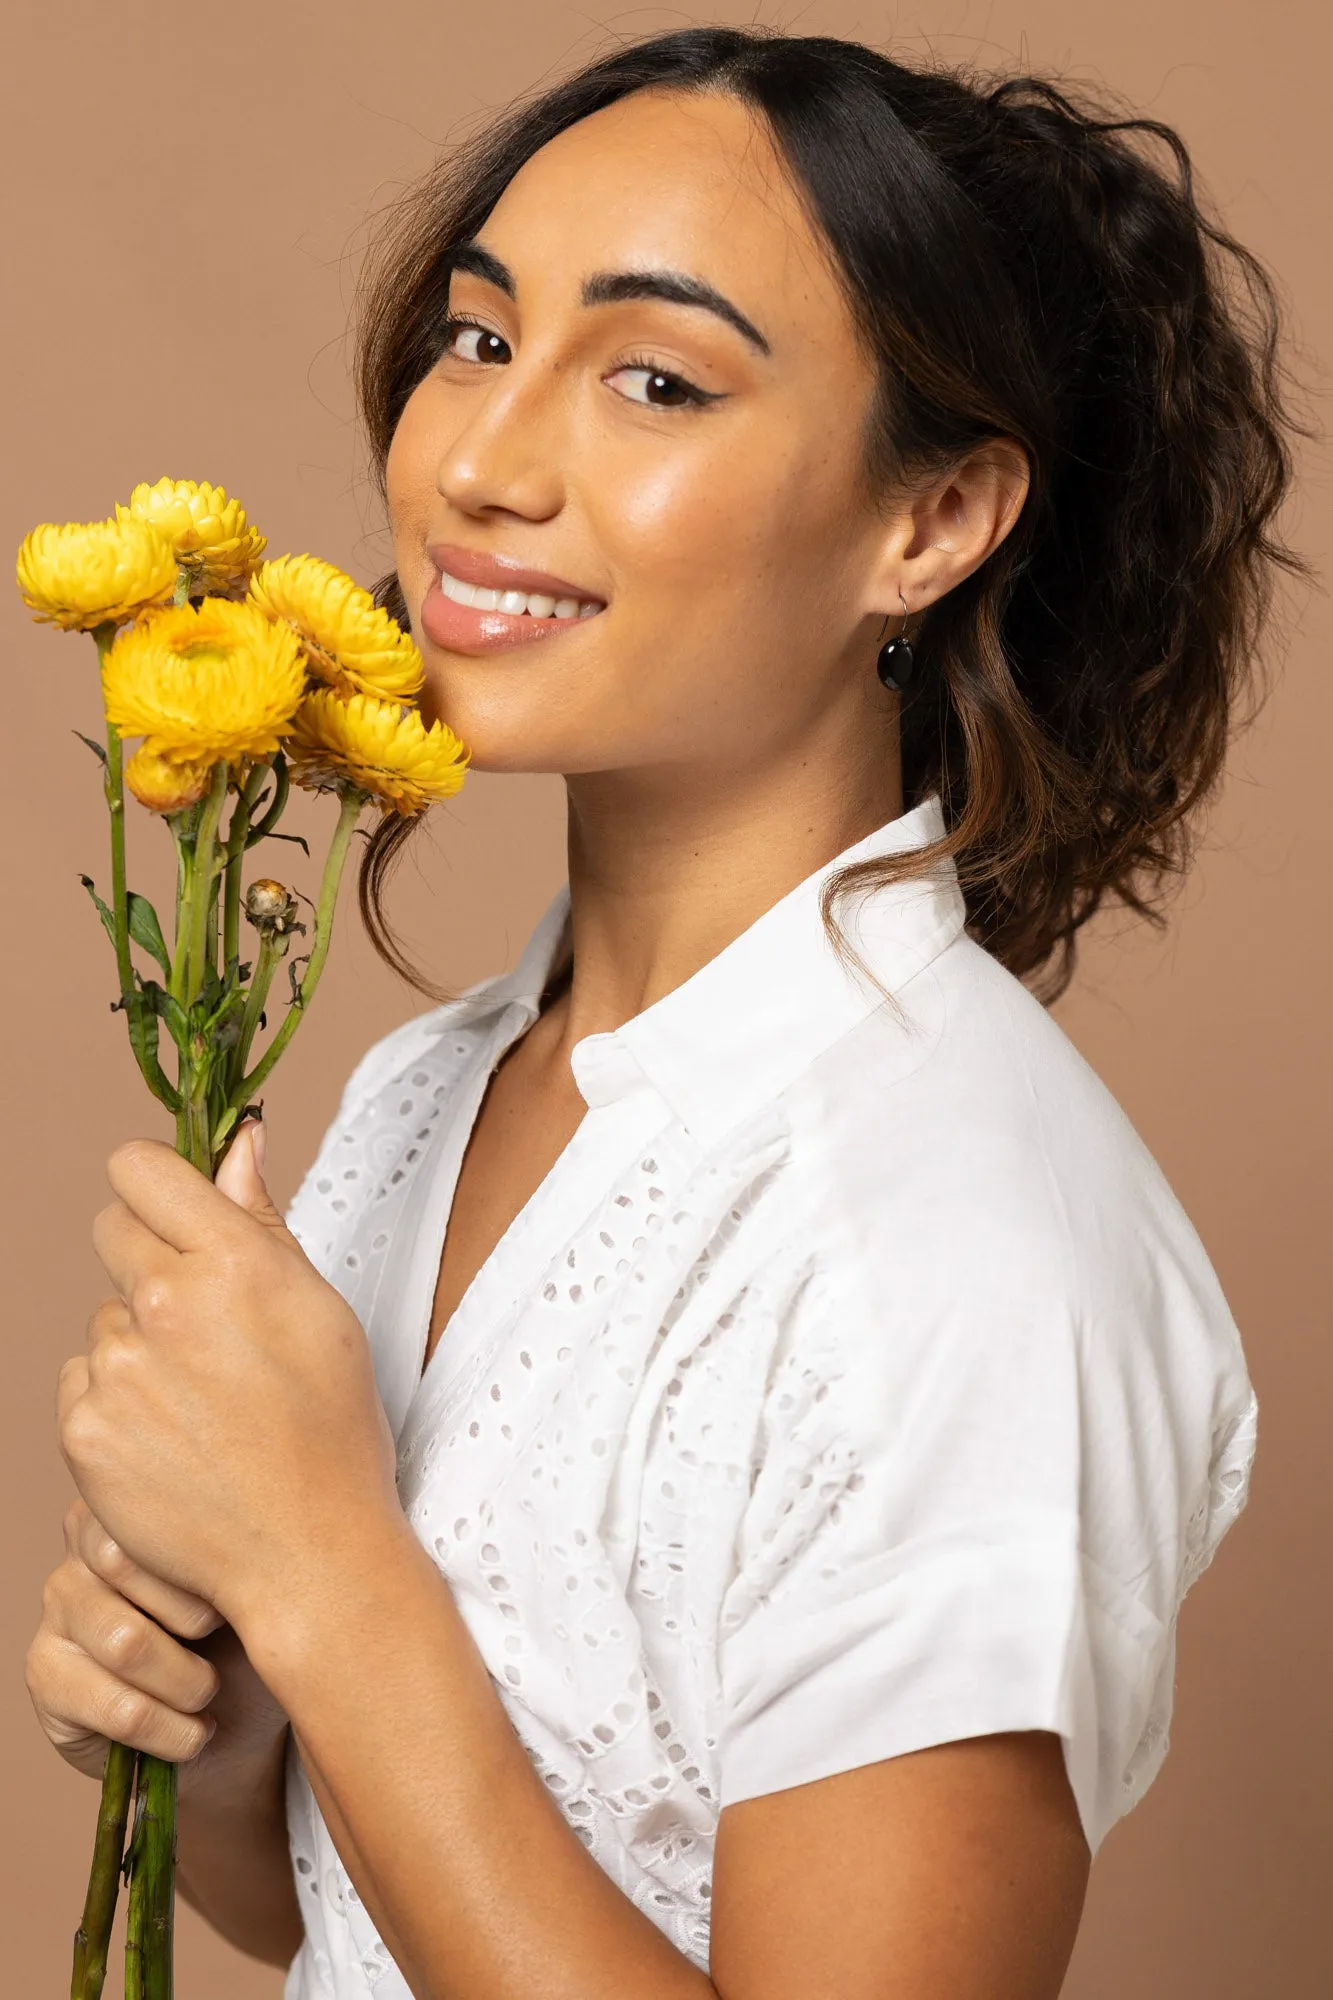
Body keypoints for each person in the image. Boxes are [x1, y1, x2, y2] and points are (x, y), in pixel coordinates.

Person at [26, 26, 1301, 2000]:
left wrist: (323, 1573)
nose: (481, 461)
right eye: (475, 338)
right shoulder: (421, 1089)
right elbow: (359, 1926)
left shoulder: (957, 1242)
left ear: (933, 521)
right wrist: (222, 1741)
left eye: (654, 379)